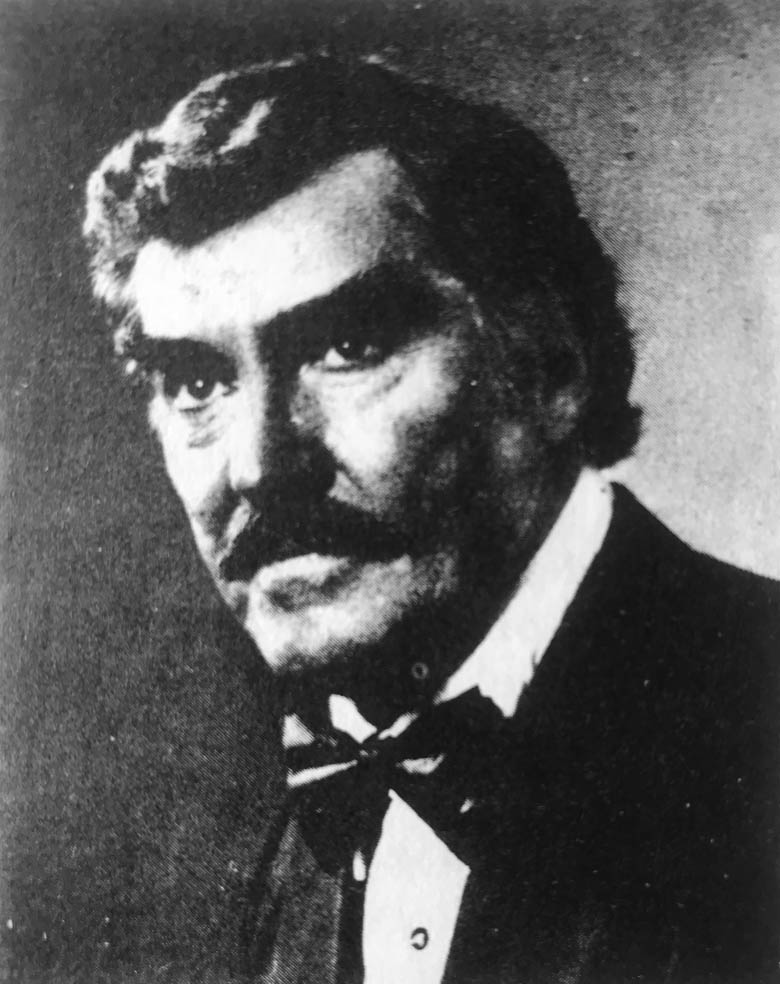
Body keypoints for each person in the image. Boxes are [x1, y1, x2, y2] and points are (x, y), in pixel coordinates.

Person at [82, 55, 780, 984]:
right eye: (199, 383)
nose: (260, 466)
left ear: (551, 364)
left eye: (348, 346)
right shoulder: (302, 834)